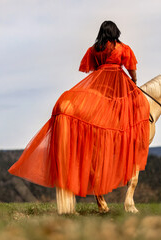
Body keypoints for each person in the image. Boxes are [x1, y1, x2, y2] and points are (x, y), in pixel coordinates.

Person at [8, 20, 150, 197]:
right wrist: (134, 82)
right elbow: (132, 69)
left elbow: (91, 69)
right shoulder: (123, 48)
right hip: (118, 84)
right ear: (116, 32)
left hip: (98, 85)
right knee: (138, 105)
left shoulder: (94, 49)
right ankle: (128, 136)